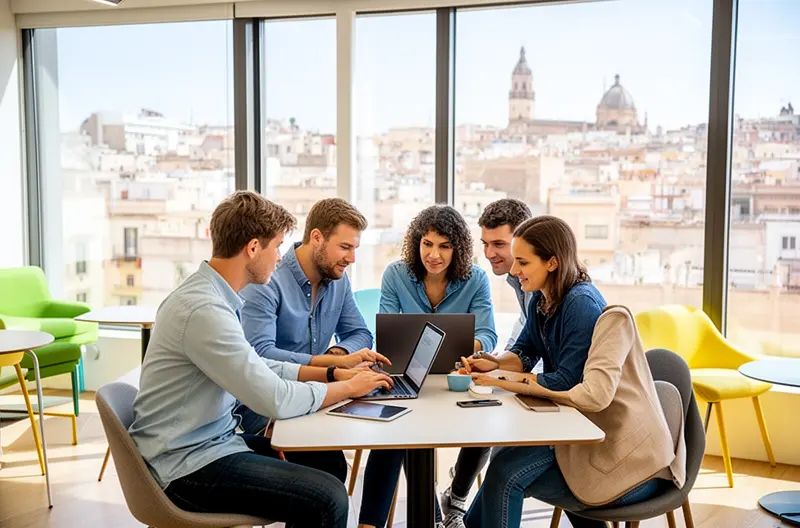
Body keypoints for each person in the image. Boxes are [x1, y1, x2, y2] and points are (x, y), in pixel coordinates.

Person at [128, 191, 392, 528]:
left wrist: (331, 375)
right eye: (277, 246)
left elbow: (257, 364)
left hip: (212, 442)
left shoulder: (213, 297)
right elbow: (275, 398)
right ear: (253, 248)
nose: (280, 257)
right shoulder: (204, 310)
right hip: (186, 465)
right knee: (329, 498)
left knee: (326, 465)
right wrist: (348, 388)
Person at [465, 305, 686, 528]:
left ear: (552, 267)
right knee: (503, 464)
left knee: (505, 475)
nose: (514, 270)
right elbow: (526, 351)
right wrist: (497, 368)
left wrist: (506, 380)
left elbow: (587, 393)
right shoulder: (542, 307)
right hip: (593, 448)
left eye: (523, 266)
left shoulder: (591, 311)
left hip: (633, 470)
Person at [358, 204, 498, 528]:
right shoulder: (396, 274)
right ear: (417, 242)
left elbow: (487, 335)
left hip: (454, 379)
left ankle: (453, 503)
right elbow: (387, 335)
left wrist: (465, 349)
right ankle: (425, 516)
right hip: (406, 376)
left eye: (444, 246)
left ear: (457, 248)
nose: (433, 255)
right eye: (427, 243)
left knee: (485, 419)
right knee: (396, 429)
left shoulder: (475, 279)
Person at [237, 197, 383, 436]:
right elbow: (260, 354)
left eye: (355, 249)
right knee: (327, 457)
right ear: (317, 238)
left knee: (384, 420)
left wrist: (336, 355)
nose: (352, 259)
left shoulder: (339, 279)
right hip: (266, 402)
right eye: (345, 247)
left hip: (320, 390)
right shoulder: (266, 281)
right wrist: (329, 366)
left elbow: (360, 333)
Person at [440, 198, 533, 528]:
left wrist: (499, 366)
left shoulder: (534, 282)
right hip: (531, 378)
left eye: (499, 244)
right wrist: (494, 362)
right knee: (484, 404)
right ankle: (457, 499)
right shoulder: (518, 281)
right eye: (485, 244)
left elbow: (532, 352)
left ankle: (456, 500)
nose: (491, 252)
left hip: (556, 398)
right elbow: (523, 340)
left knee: (490, 414)